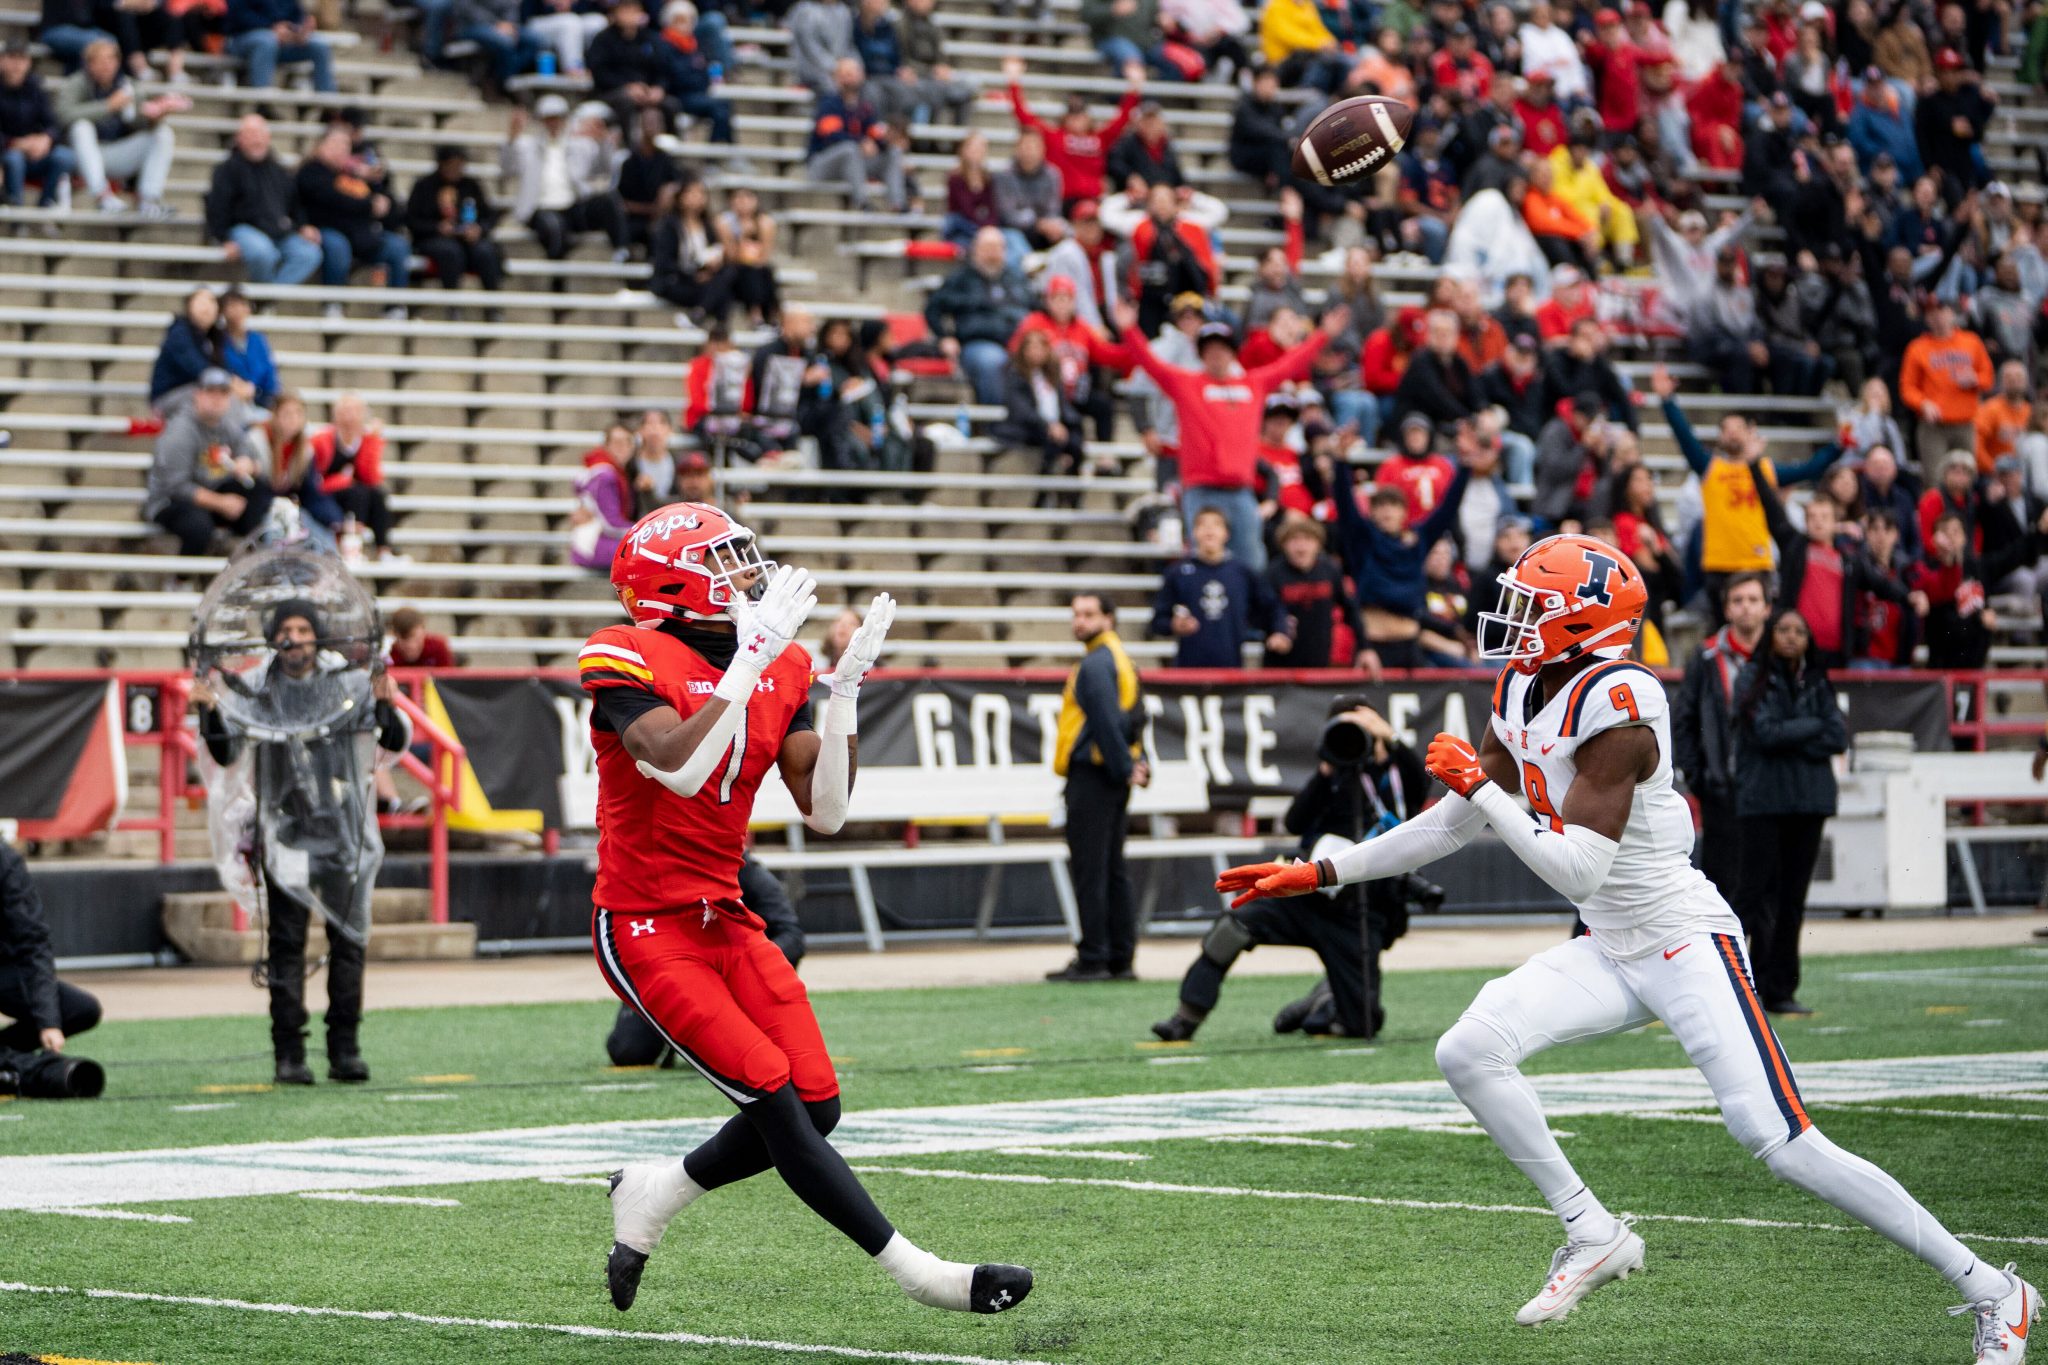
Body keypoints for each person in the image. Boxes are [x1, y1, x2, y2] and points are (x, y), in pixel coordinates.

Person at [1216, 532, 2041, 1352]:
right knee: (1468, 1049)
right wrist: (1320, 871)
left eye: (1532, 606)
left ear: (1585, 621)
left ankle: (1995, 1291)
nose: (1512, 618)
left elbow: (1573, 867)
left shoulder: (1623, 706)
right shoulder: (1523, 682)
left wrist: (1483, 788)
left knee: (1782, 1141)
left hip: (1684, 940)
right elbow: (1452, 824)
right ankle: (1592, 1229)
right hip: (1611, 942)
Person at [586, 507, 1032, 1315]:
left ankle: (655, 1194)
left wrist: (843, 691)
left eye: (743, 557)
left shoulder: (782, 661)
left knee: (818, 1102)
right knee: (771, 1095)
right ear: (675, 584)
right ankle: (924, 1272)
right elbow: (679, 770)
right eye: (724, 563)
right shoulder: (627, 651)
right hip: (645, 920)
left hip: (723, 910)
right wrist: (747, 665)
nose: (749, 576)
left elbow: (825, 810)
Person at [192, 599, 410, 1085]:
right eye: (285, 629)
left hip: (344, 836)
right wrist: (208, 711)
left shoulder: (347, 683)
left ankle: (345, 1049)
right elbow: (226, 753)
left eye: (304, 628)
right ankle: (288, 1054)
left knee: (349, 944)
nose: (295, 638)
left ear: (319, 636)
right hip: (284, 836)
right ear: (274, 639)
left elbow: (392, 741)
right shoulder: (258, 689)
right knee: (286, 946)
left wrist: (384, 700)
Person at [1155, 699, 1421, 1043]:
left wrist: (1390, 741)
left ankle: (1323, 1001)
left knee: (1361, 1026)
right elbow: (1296, 820)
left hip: (1356, 911)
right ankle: (1185, 1017)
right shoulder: (1332, 775)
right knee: (1231, 928)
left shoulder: (1396, 773)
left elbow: (1418, 790)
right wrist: (1327, 769)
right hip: (1305, 895)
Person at [1117, 298, 1347, 575]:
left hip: (1241, 491)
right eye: (1210, 349)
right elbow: (1151, 364)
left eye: (1222, 349)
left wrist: (1323, 336)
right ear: (1201, 354)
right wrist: (1128, 330)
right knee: (1202, 560)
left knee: (1252, 562)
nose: (1217, 355)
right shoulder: (1186, 384)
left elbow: (1290, 364)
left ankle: (1250, 618)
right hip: (1201, 490)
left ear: (1233, 353)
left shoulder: (1253, 383)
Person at [1730, 610, 1845, 1016]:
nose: (1792, 637)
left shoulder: (1816, 679)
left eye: (1800, 630)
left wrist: (1795, 732)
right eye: (1784, 630)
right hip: (1763, 802)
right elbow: (1765, 732)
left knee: (1793, 900)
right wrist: (1810, 728)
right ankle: (1727, 982)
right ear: (1770, 635)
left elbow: (1837, 735)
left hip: (1809, 803)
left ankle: (1779, 990)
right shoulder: (1752, 677)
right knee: (1752, 896)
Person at [606, 855, 807, 1066]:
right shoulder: (661, 868)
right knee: (628, 1051)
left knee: (740, 1058)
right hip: (671, 970)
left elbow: (792, 937)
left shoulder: (747, 872)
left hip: (733, 973)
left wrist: (746, 963)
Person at [1045, 588, 1148, 984]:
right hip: (1114, 776)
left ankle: (1093, 957)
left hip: (1094, 776)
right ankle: (1120, 957)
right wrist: (1138, 764)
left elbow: (1106, 721)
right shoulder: (1123, 660)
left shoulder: (1095, 665)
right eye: (1076, 614)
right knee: (1112, 869)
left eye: (1088, 614)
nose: (1080, 621)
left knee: (1091, 870)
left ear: (1109, 617)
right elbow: (1137, 718)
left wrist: (1124, 766)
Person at [1673, 571, 1768, 904]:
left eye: (1753, 600)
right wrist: (1699, 777)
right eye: (1738, 600)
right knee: (1721, 887)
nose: (1745, 608)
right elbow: (1684, 720)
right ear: (1726, 609)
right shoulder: (1706, 656)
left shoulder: (1780, 655)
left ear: (1767, 608)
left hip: (1770, 791)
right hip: (1722, 789)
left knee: (1766, 888)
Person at [0, 841, 103, 1079]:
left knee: (80, 1009)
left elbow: (33, 941)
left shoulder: (6, 861)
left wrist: (49, 1022)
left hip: (4, 968)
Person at [144, 369, 271, 556]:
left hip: (210, 494)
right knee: (198, 525)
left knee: (258, 492)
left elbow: (251, 456)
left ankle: (252, 562)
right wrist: (221, 503)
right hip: (169, 502)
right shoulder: (180, 432)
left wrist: (248, 464)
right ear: (198, 394)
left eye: (223, 392)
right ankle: (181, 581)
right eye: (211, 392)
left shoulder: (226, 425)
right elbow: (176, 487)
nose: (217, 398)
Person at [54, 38, 180, 217]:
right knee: (81, 127)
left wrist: (155, 117)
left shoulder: (127, 86)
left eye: (111, 59)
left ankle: (149, 200)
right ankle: (102, 197)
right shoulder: (76, 83)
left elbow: (139, 123)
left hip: (115, 154)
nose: (107, 65)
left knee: (163, 134)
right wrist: (108, 106)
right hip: (80, 157)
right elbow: (62, 116)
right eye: (101, 60)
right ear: (89, 64)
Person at [297, 127, 411, 315]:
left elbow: (386, 204)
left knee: (397, 246)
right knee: (337, 246)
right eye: (335, 144)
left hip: (362, 234)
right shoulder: (311, 171)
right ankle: (333, 304)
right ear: (320, 146)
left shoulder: (357, 175)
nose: (341, 150)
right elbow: (331, 199)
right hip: (327, 229)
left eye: (346, 146)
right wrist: (368, 205)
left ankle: (395, 307)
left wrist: (376, 182)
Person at [502, 98, 629, 265]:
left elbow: (603, 169)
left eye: (557, 118)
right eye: (549, 118)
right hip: (541, 207)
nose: (553, 123)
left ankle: (622, 250)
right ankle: (557, 276)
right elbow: (507, 168)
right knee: (554, 227)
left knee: (608, 200)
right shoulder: (527, 146)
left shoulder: (580, 145)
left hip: (572, 206)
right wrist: (512, 136)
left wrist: (603, 141)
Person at [206, 114, 320, 287]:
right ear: (239, 139)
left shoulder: (279, 170)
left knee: (310, 254)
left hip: (279, 230)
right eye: (250, 134)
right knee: (264, 253)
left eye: (259, 134)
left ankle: (265, 297)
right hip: (245, 229)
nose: (256, 139)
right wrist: (223, 238)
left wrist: (303, 226)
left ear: (268, 138)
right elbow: (217, 207)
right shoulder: (227, 170)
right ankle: (264, 296)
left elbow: (294, 204)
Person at [926, 227, 1033, 406]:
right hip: (979, 343)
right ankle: (997, 424)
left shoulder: (1015, 279)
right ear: (975, 249)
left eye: (997, 248)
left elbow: (1035, 307)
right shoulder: (961, 279)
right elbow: (933, 309)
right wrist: (944, 338)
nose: (992, 254)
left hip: (1019, 343)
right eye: (987, 247)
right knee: (994, 361)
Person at [1899, 297, 1993, 488]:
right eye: (1931, 313)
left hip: (1966, 423)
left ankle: (1965, 517)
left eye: (1941, 310)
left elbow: (1988, 378)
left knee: (1968, 480)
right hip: (1934, 426)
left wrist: (1975, 380)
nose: (1937, 317)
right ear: (1926, 318)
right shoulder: (1917, 347)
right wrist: (1922, 403)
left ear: (1952, 313)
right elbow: (1907, 387)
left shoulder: (1971, 341)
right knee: (1935, 480)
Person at [1263, 516, 1372, 671]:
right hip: (1280, 664)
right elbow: (1263, 611)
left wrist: (1365, 647)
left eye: (1308, 540)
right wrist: (1275, 632)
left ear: (1318, 544)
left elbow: (1351, 609)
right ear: (1283, 545)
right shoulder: (1272, 573)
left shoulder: (1329, 570)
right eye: (1294, 540)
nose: (1301, 547)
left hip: (1319, 660)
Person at [806, 55, 909, 214]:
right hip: (823, 164)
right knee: (849, 149)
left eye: (853, 73)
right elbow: (831, 136)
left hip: (855, 164)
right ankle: (862, 202)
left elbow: (874, 134)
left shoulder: (866, 107)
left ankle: (897, 203)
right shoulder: (828, 103)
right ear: (836, 78)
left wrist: (887, 141)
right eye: (845, 74)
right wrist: (861, 142)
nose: (850, 78)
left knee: (893, 153)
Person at [405, 144, 504, 294]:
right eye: (451, 164)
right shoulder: (424, 186)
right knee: (450, 252)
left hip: (468, 240)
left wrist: (478, 229)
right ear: (442, 164)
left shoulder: (471, 185)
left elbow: (488, 216)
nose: (456, 169)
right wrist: (437, 227)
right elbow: (412, 221)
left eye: (460, 165)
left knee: (485, 251)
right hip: (434, 239)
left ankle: (494, 304)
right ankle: (453, 303)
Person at [310, 393, 396, 560]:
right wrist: (342, 481)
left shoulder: (365, 440)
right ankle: (349, 546)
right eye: (345, 411)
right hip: (328, 494)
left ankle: (383, 550)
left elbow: (370, 477)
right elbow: (313, 480)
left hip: (357, 494)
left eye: (355, 411)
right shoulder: (322, 440)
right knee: (358, 493)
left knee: (377, 494)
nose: (350, 417)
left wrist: (372, 441)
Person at [996, 327, 1086, 484]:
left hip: (1053, 426)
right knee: (1053, 440)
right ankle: (1043, 490)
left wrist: (1068, 423)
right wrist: (1049, 425)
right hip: (1029, 428)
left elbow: (1062, 405)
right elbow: (1022, 410)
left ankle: (1072, 492)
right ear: (1023, 350)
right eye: (1032, 347)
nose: (1036, 352)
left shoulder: (1051, 374)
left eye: (1040, 347)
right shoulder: (1015, 375)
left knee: (1076, 440)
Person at [648, 175, 736, 322]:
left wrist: (712, 264)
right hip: (677, 279)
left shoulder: (709, 226)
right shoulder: (668, 226)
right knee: (722, 294)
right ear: (681, 196)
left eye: (701, 193)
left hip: (703, 278)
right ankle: (709, 325)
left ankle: (700, 315)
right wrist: (691, 275)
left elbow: (720, 252)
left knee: (727, 277)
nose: (697, 198)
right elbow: (664, 261)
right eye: (692, 193)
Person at [0, 40, 75, 209]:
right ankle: (16, 213)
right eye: (12, 58)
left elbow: (53, 124)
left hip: (34, 154)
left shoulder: (35, 87)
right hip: (6, 154)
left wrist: (46, 139)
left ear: (28, 63)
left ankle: (45, 205)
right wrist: (14, 144)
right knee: (14, 159)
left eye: (22, 59)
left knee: (65, 157)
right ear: (2, 61)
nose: (16, 65)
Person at [573, 422, 641, 570]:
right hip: (594, 545)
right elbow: (611, 524)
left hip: (593, 542)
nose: (622, 448)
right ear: (606, 446)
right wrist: (645, 530)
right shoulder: (606, 475)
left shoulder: (610, 471)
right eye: (616, 442)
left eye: (627, 442)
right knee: (645, 553)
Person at [225, 0, 334, 91]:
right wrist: (271, 28)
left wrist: (299, 31)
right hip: (242, 39)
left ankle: (328, 107)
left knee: (319, 45)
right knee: (267, 41)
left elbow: (296, 16)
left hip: (281, 42)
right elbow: (237, 16)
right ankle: (261, 103)